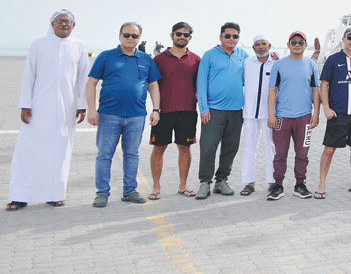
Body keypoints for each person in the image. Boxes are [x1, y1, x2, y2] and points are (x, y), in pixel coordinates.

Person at [7, 10, 89, 211]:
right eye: (60, 21)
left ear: (73, 25)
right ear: (52, 24)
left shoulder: (79, 46)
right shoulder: (38, 45)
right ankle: (20, 196)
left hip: (66, 108)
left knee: (60, 151)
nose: (64, 24)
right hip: (38, 107)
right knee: (27, 150)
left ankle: (55, 194)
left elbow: (83, 79)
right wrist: (25, 104)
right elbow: (29, 75)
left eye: (68, 22)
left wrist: (82, 105)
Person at [86, 22, 161, 207]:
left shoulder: (146, 59)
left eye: (134, 36)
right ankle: (102, 193)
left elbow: (153, 86)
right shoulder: (106, 57)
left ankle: (129, 191)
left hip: (136, 116)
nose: (130, 38)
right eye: (127, 35)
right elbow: (91, 83)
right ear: (119, 36)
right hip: (109, 115)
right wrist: (92, 109)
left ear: (139, 38)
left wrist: (156, 109)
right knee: (104, 155)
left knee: (131, 154)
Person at [195, 22, 248, 199]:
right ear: (220, 37)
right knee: (208, 147)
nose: (231, 39)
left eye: (235, 36)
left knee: (230, 148)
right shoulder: (209, 55)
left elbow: (257, 70)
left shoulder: (244, 56)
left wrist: (273, 59)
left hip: (236, 112)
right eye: (228, 36)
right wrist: (203, 108)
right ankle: (204, 182)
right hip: (213, 111)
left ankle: (221, 180)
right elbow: (201, 83)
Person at [317, 27, 351, 197]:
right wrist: (326, 107)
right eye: (350, 37)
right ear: (343, 39)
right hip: (338, 113)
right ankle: (321, 185)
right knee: (329, 149)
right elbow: (324, 84)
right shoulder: (334, 60)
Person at [267, 31, 321, 200]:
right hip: (282, 116)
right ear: (288, 44)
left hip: (304, 116)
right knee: (280, 153)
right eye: (294, 42)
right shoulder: (279, 65)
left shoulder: (311, 64)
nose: (297, 45)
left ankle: (300, 184)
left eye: (300, 42)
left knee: (303, 153)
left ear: (305, 45)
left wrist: (316, 113)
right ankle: (278, 185)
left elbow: (316, 90)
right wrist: (271, 114)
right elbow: (272, 91)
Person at [150, 22, 200, 199]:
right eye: (178, 34)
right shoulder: (158, 59)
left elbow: (201, 86)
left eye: (186, 35)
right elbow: (152, 85)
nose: (182, 37)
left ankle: (183, 185)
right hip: (163, 112)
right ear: (171, 35)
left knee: (184, 148)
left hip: (188, 111)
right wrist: (155, 109)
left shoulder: (196, 60)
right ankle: (156, 186)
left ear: (190, 38)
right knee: (159, 148)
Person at [240, 35, 277, 196]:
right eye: (257, 45)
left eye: (264, 44)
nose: (261, 47)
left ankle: (273, 181)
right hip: (249, 113)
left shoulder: (276, 63)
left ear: (269, 45)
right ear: (253, 47)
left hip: (269, 113)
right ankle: (249, 182)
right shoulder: (247, 63)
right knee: (249, 148)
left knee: (271, 148)